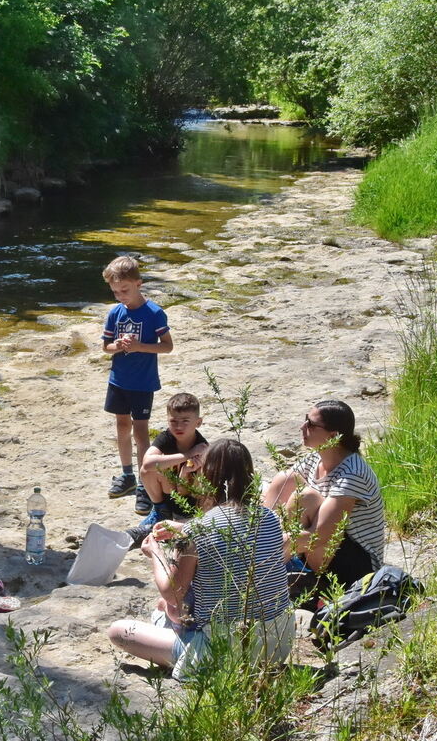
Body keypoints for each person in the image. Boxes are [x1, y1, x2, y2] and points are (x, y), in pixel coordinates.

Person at [106, 439, 293, 681]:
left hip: (223, 651)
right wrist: (184, 529)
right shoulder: (268, 518)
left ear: (207, 476)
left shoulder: (198, 530)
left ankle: (184, 649)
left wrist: (156, 553)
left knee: (120, 630)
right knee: (172, 608)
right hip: (277, 642)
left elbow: (172, 592)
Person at [262, 399, 386, 600]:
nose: (303, 427)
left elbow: (319, 537)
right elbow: (281, 492)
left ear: (333, 436)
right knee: (285, 479)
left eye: (310, 424)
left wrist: (277, 544)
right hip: (322, 549)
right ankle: (261, 540)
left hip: (354, 567)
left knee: (306, 497)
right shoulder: (316, 459)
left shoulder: (353, 474)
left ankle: (268, 571)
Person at [101, 256, 173, 516]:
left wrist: (141, 346)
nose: (120, 296)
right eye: (115, 292)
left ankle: (145, 484)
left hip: (142, 383)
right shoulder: (115, 313)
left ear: (138, 284)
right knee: (121, 425)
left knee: (141, 431)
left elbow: (168, 345)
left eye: (125, 290)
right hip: (118, 380)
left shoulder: (154, 313)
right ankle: (126, 474)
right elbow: (105, 346)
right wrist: (117, 346)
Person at [125, 392, 210, 547]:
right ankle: (160, 511)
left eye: (185, 421)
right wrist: (187, 455)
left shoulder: (202, 447)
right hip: (170, 493)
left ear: (198, 422)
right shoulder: (167, 437)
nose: (178, 426)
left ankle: (178, 517)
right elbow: (148, 463)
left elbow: (195, 486)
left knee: (196, 473)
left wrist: (185, 472)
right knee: (147, 470)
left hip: (191, 499)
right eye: (173, 421)